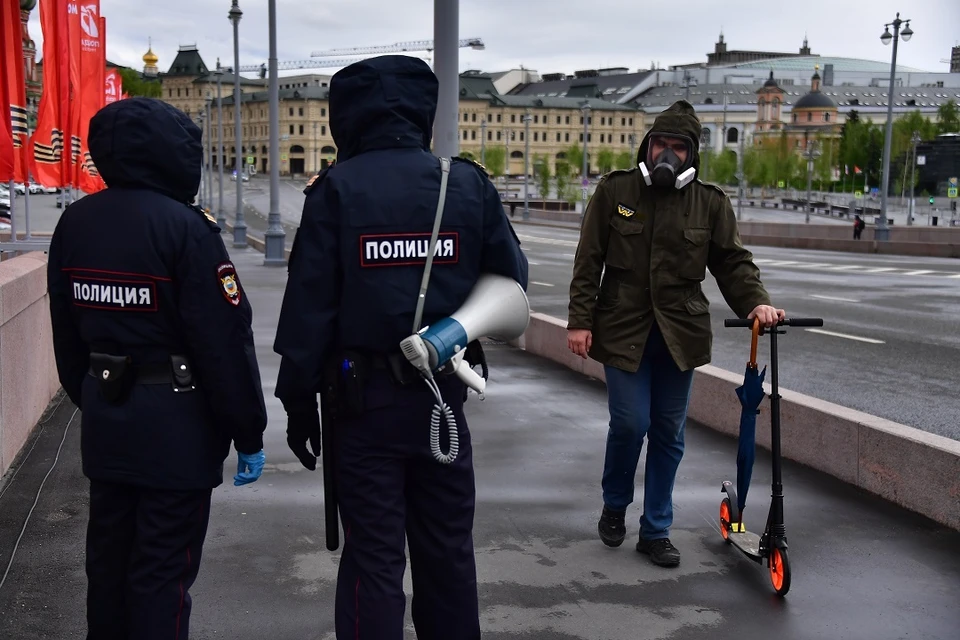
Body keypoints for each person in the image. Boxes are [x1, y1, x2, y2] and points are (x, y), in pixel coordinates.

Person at [273, 55, 528, 639]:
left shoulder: (335, 190)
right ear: (423, 112)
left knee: (374, 557)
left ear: (348, 117)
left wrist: (296, 404)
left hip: (361, 408)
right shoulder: (465, 183)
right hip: (443, 399)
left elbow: (310, 310)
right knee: (447, 553)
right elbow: (510, 283)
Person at [46, 97, 268, 639]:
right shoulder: (187, 229)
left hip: (108, 420)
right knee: (161, 574)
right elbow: (223, 343)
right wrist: (248, 431)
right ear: (177, 154)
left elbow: (66, 336)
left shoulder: (76, 222)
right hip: (177, 428)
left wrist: (96, 398)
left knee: (108, 569)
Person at [566, 100, 784, 568]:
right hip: (622, 326)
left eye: (677, 147)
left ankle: (656, 530)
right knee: (630, 423)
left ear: (691, 155)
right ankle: (615, 503)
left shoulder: (709, 202)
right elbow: (589, 261)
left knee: (668, 432)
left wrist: (756, 303)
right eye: (660, 143)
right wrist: (580, 321)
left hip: (678, 334)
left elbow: (733, 263)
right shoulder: (615, 191)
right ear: (647, 146)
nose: (667, 153)